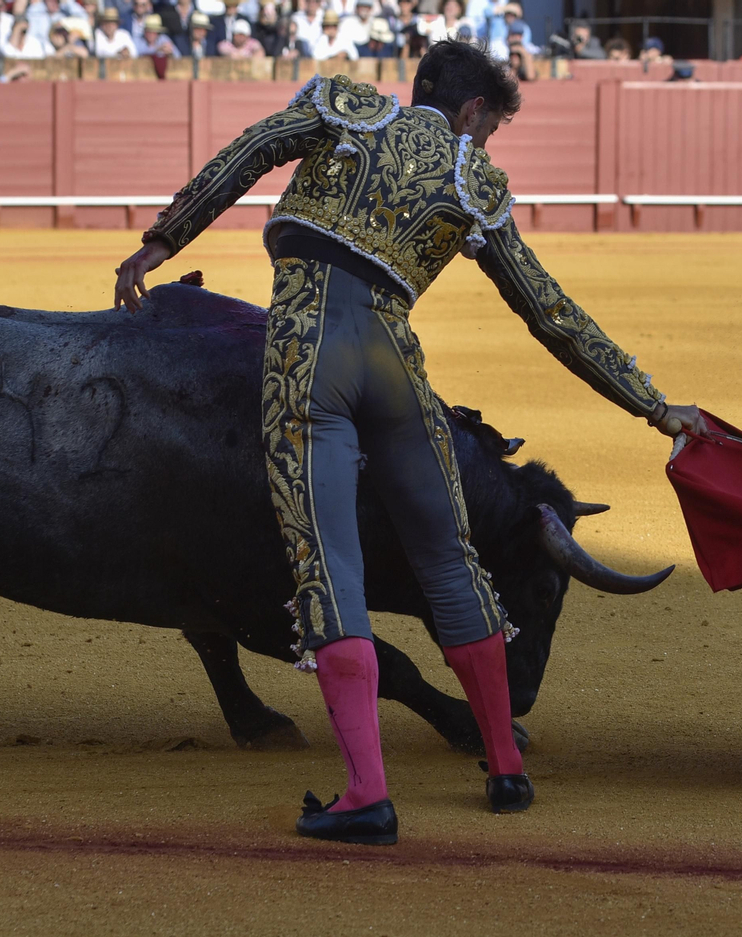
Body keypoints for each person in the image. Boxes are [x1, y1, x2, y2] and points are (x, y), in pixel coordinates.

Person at [111, 42, 706, 845]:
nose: (483, 144)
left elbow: (252, 150)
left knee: (328, 567)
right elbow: (551, 312)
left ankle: (367, 794)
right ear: (470, 111)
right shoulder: (472, 179)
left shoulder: (343, 108)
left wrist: (164, 238)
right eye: (487, 130)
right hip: (396, 367)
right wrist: (655, 405)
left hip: (308, 355)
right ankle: (505, 766)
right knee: (450, 561)